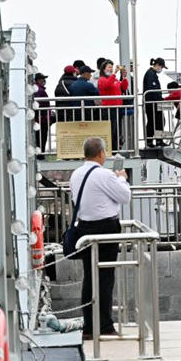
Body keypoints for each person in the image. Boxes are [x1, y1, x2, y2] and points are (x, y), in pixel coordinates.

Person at [69, 137, 131, 339]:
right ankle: (104, 325)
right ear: (101, 153)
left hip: (84, 227)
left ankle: (89, 326)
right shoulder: (105, 175)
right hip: (105, 228)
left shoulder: (76, 174)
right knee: (105, 278)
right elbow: (124, 197)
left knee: (90, 277)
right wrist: (121, 177)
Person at [98, 60, 129, 150]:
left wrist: (124, 77)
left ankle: (115, 149)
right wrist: (115, 73)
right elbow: (106, 86)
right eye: (109, 67)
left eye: (112, 67)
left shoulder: (114, 79)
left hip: (117, 107)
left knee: (117, 130)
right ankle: (110, 149)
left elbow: (124, 87)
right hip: (109, 108)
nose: (111, 69)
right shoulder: (102, 79)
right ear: (103, 69)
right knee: (111, 130)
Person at [143, 57, 166, 147]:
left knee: (158, 121)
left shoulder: (152, 74)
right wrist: (161, 100)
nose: (161, 69)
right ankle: (154, 141)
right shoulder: (150, 74)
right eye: (162, 67)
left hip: (153, 102)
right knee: (156, 121)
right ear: (157, 65)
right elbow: (153, 90)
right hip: (152, 103)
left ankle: (156, 140)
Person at [33, 73, 53, 151]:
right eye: (42, 79)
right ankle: (41, 153)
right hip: (42, 118)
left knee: (39, 137)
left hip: (39, 118)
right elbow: (41, 104)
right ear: (38, 80)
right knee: (42, 137)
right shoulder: (40, 90)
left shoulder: (37, 89)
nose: (44, 81)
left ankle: (40, 153)